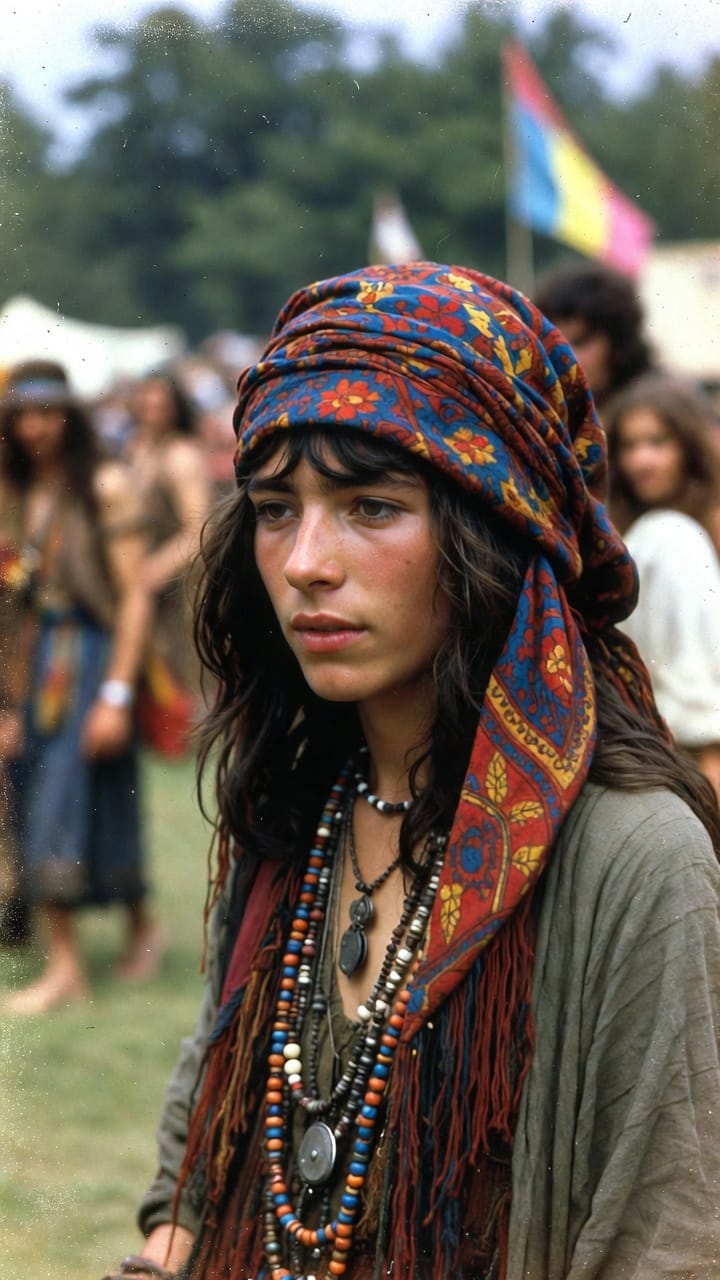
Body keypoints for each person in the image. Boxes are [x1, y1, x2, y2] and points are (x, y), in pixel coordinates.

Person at [102, 265, 720, 1280]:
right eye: (273, 507)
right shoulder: (290, 816)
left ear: (491, 526)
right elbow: (202, 1159)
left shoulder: (633, 856)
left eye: (370, 505)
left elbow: (672, 1240)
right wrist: (172, 1245)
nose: (305, 558)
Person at [0, 360, 159, 1013]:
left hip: (90, 658)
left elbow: (137, 597)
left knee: (67, 795)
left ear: (72, 414)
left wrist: (117, 693)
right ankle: (135, 930)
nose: (37, 428)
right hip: (34, 661)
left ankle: (70, 968)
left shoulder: (105, 484)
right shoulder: (11, 492)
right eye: (23, 415)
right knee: (59, 791)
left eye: (48, 412)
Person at [606, 372, 720, 801]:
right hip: (678, 758)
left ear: (688, 448)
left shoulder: (669, 534)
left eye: (658, 442)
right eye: (630, 446)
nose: (642, 461)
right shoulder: (668, 534)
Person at [124, 371, 212, 736]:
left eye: (160, 404)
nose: (151, 411)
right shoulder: (136, 447)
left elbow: (199, 530)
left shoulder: (182, 455)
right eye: (145, 402)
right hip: (139, 579)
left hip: (174, 583)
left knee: (181, 671)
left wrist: (153, 570)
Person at [534, 260, 654, 413]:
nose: (566, 357)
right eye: (554, 346)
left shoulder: (654, 412)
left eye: (580, 342)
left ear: (618, 344)